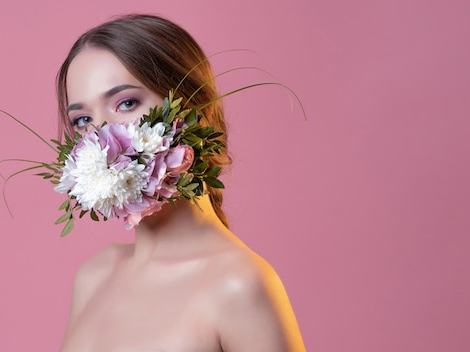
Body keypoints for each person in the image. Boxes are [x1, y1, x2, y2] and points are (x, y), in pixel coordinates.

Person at [55, 14, 306, 352]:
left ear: (192, 108)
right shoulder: (94, 276)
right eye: (83, 120)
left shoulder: (238, 285)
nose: (102, 139)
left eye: (126, 103)